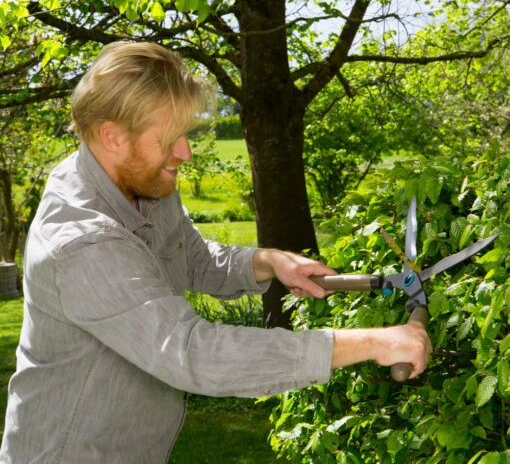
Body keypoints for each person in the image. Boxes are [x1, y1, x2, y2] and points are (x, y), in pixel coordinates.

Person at [0, 41, 431, 463]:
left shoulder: (141, 178)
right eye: (170, 138)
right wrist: (373, 342)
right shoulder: (80, 243)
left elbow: (193, 259)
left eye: (184, 134)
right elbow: (192, 354)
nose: (184, 153)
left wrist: (266, 261)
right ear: (111, 135)